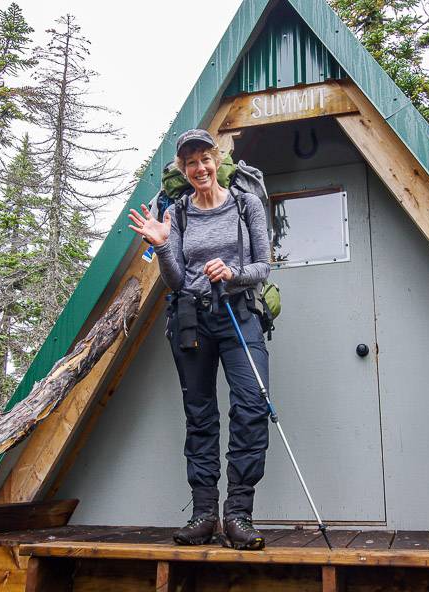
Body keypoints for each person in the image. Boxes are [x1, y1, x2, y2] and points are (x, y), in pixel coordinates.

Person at [128, 129, 271, 550]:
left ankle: (239, 515)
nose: (199, 168)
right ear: (183, 169)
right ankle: (205, 513)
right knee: (200, 415)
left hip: (240, 314)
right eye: (190, 162)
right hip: (192, 320)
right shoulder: (179, 214)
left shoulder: (247, 205)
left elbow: (264, 265)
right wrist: (163, 246)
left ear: (217, 160)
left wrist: (233, 274)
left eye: (204, 158)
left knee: (251, 406)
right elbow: (173, 280)